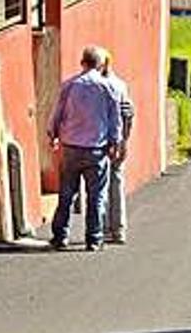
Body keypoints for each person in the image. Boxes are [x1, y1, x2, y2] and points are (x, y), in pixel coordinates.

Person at [48, 46, 123, 252]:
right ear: (100, 65)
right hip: (96, 150)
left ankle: (60, 236)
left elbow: (57, 113)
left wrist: (52, 134)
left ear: (83, 63)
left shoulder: (70, 85)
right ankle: (94, 239)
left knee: (66, 194)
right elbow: (115, 119)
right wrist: (116, 143)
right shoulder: (108, 88)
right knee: (96, 196)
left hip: (71, 148)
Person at [100, 48, 134, 244]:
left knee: (101, 186)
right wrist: (125, 139)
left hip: (99, 141)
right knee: (117, 183)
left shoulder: (97, 86)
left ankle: (105, 228)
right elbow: (128, 114)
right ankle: (119, 229)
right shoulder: (120, 84)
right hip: (118, 140)